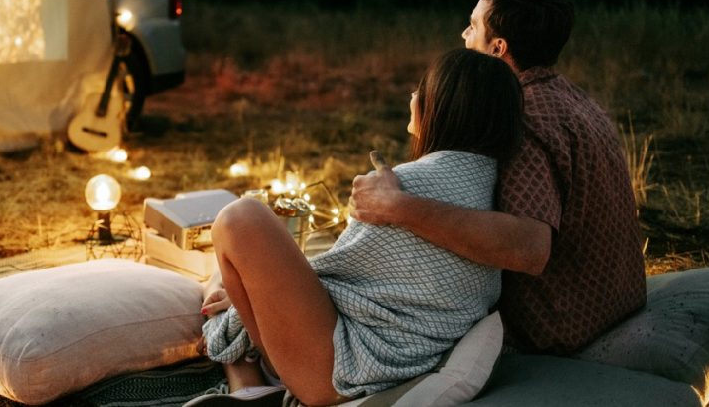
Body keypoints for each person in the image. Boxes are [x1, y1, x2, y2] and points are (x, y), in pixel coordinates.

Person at [189, 48, 523, 407]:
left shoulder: (405, 185)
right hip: (400, 358)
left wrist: (248, 304)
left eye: (420, 89)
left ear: (440, 107)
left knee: (240, 219)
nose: (412, 97)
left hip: (342, 370)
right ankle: (248, 382)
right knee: (226, 281)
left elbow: (332, 275)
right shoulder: (494, 194)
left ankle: (248, 379)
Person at [351, 0, 647, 355]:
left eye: (473, 27)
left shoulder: (521, 117)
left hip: (559, 324)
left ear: (497, 48)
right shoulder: (571, 99)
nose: (463, 34)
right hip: (613, 300)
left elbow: (528, 247)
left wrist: (397, 207)